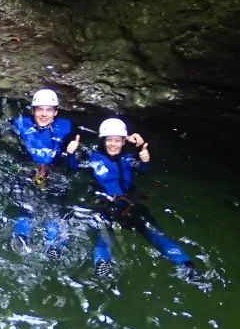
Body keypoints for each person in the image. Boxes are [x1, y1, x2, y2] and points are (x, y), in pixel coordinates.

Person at [83, 117, 199, 280]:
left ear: (123, 142)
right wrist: (72, 153)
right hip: (105, 205)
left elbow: (144, 169)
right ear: (102, 141)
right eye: (109, 140)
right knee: (104, 237)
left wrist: (144, 153)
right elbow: (73, 164)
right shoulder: (93, 157)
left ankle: (186, 265)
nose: (113, 144)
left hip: (128, 205)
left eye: (117, 140)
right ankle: (102, 265)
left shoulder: (128, 158)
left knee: (155, 234)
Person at [8, 88, 80, 258]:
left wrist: (72, 153)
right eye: (40, 109)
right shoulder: (20, 124)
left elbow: (103, 143)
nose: (44, 114)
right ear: (33, 111)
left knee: (54, 206)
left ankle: (53, 244)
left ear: (55, 113)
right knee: (25, 203)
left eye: (49, 110)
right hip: (30, 170)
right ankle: (21, 236)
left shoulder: (67, 128)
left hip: (55, 172)